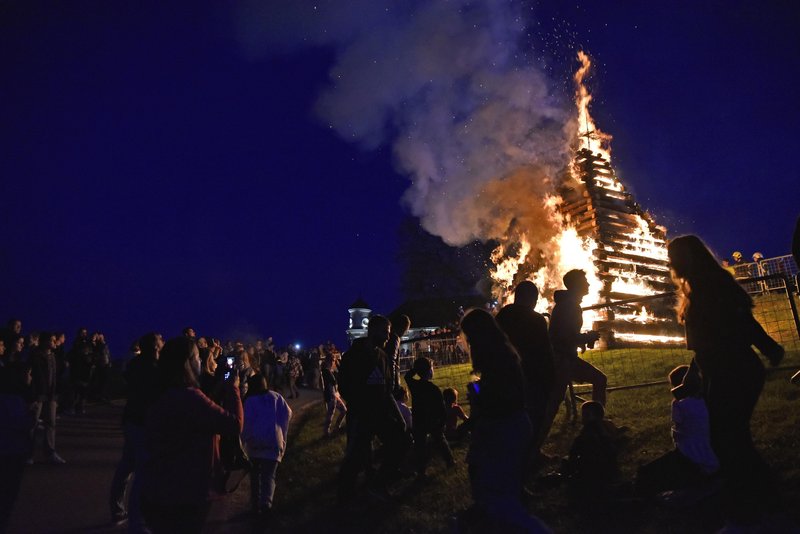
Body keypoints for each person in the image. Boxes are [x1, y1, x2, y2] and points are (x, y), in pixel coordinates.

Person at [668, 234, 784, 528]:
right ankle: (760, 499)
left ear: (687, 258)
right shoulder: (698, 288)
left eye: (673, 257)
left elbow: (743, 321)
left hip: (736, 371)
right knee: (728, 439)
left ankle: (753, 506)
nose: (670, 263)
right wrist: (695, 377)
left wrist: (769, 347)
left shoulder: (711, 287)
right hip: (722, 372)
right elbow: (704, 346)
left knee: (730, 440)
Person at [457, 308, 550, 533]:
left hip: (505, 427)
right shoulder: (501, 354)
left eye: (469, 336)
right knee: (494, 485)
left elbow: (502, 397)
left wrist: (479, 394)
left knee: (498, 492)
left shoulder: (497, 358)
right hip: (508, 425)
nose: (468, 342)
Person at [140, 337, 243, 534]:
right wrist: (233, 387)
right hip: (187, 492)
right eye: (197, 357)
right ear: (186, 363)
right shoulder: (189, 397)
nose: (201, 362)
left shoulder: (160, 393)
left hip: (157, 488)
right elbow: (234, 424)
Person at [337, 315, 409, 501]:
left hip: (380, 413)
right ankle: (344, 497)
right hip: (361, 415)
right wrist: (360, 405)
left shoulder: (382, 356)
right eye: (385, 332)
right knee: (355, 456)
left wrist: (394, 415)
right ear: (373, 331)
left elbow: (385, 388)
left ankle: (378, 483)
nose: (387, 337)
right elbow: (345, 385)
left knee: (399, 442)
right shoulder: (353, 356)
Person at [635, 365, 719, 499]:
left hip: (688, 455)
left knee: (647, 473)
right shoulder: (709, 401)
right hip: (713, 455)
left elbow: (678, 423)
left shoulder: (680, 404)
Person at [109, 332, 162, 529]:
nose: (163, 342)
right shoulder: (153, 368)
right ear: (155, 346)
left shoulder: (135, 365)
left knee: (126, 467)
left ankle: (117, 510)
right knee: (142, 471)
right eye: (160, 339)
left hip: (131, 420)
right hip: (144, 423)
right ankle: (136, 520)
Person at [495, 280, 555, 452]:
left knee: (515, 417)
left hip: (507, 376)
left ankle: (515, 452)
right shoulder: (536, 320)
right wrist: (550, 376)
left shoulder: (502, 316)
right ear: (532, 299)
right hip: (532, 376)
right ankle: (530, 454)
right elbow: (545, 351)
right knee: (534, 416)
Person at [241, 374, 291, 523]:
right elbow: (288, 414)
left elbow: (247, 422)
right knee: (269, 476)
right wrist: (281, 432)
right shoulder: (276, 397)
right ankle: (266, 505)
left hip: (256, 443)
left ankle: (255, 504)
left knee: (255, 475)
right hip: (273, 442)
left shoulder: (250, 401)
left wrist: (242, 441)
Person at [404, 357, 453, 478]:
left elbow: (407, 377)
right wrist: (442, 421)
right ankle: (450, 461)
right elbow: (441, 408)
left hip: (419, 421)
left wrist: (415, 369)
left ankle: (421, 471)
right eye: (432, 368)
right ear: (429, 371)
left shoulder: (414, 385)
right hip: (432, 421)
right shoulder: (434, 389)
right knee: (440, 440)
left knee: (420, 445)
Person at [29, 332, 65, 465]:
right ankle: (28, 453)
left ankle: (50, 452)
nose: (54, 342)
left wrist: (55, 393)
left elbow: (56, 375)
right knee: (32, 424)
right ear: (44, 342)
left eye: (55, 340)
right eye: (51, 340)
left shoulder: (53, 357)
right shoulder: (36, 356)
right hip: (39, 394)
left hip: (51, 395)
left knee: (51, 423)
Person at [321, 353, 346, 437]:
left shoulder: (329, 370)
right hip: (330, 395)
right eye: (333, 360)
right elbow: (334, 381)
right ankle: (326, 432)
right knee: (330, 413)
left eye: (334, 361)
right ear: (329, 361)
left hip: (334, 395)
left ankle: (336, 427)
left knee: (343, 410)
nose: (334, 362)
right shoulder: (326, 371)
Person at [386, 315, 411, 392]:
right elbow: (392, 361)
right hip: (389, 380)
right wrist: (395, 384)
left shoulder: (390, 337)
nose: (405, 332)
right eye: (406, 329)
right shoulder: (394, 338)